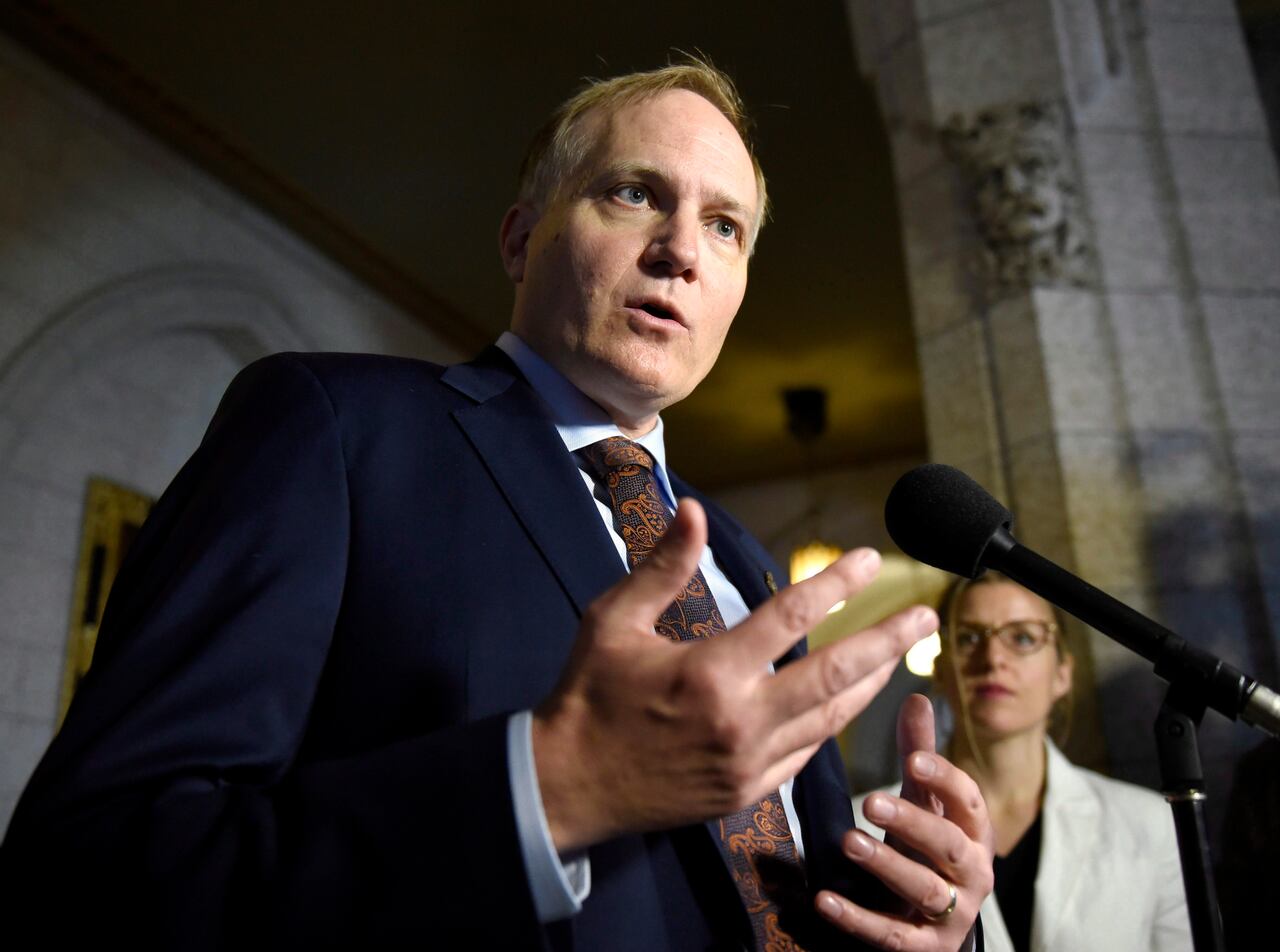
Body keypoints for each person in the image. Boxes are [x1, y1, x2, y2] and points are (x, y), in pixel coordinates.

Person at [1, 57, 994, 950]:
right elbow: (87, 867)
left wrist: (911, 921)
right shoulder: (336, 431)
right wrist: (550, 788)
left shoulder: (741, 562)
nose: (680, 250)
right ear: (520, 240)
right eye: (634, 193)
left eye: (724, 226)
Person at [855, 573, 1192, 952]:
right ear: (941, 669)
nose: (993, 659)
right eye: (968, 637)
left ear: (1062, 673)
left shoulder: (1149, 823)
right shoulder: (863, 825)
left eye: (1023, 637)